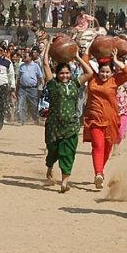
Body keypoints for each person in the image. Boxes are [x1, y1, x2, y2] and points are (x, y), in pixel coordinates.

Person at [81, 37, 127, 190]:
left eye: (107, 72)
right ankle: (98, 173)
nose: (104, 75)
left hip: (112, 119)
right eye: (102, 72)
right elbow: (85, 62)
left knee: (107, 149)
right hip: (94, 119)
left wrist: (116, 60)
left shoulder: (115, 81)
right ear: (98, 71)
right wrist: (90, 46)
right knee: (98, 146)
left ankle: (100, 171)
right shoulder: (92, 78)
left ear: (112, 72)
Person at [42, 39, 82, 193]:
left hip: (70, 125)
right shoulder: (53, 84)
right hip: (54, 125)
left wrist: (77, 57)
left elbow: (90, 73)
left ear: (70, 74)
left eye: (67, 73)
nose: (64, 75)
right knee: (53, 151)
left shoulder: (74, 84)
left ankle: (64, 182)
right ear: (57, 74)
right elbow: (45, 64)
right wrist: (47, 47)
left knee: (67, 152)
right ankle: (50, 167)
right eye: (61, 73)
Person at [16, 48, 45, 126]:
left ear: (30, 57)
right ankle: (21, 120)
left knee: (34, 105)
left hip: (32, 89)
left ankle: (36, 119)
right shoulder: (21, 66)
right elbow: (19, 78)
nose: (24, 58)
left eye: (26, 56)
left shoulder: (35, 66)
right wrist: (16, 88)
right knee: (21, 104)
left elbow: (41, 77)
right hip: (22, 88)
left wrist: (43, 87)